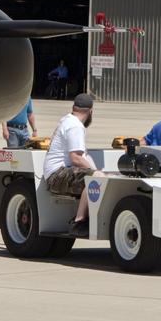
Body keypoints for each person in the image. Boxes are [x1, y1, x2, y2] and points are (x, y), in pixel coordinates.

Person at [44, 93, 101, 234]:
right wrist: (97, 172)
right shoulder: (75, 126)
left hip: (54, 174)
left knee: (95, 175)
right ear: (90, 111)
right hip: (57, 175)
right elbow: (76, 158)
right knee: (97, 178)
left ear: (73, 107)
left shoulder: (67, 120)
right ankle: (79, 221)